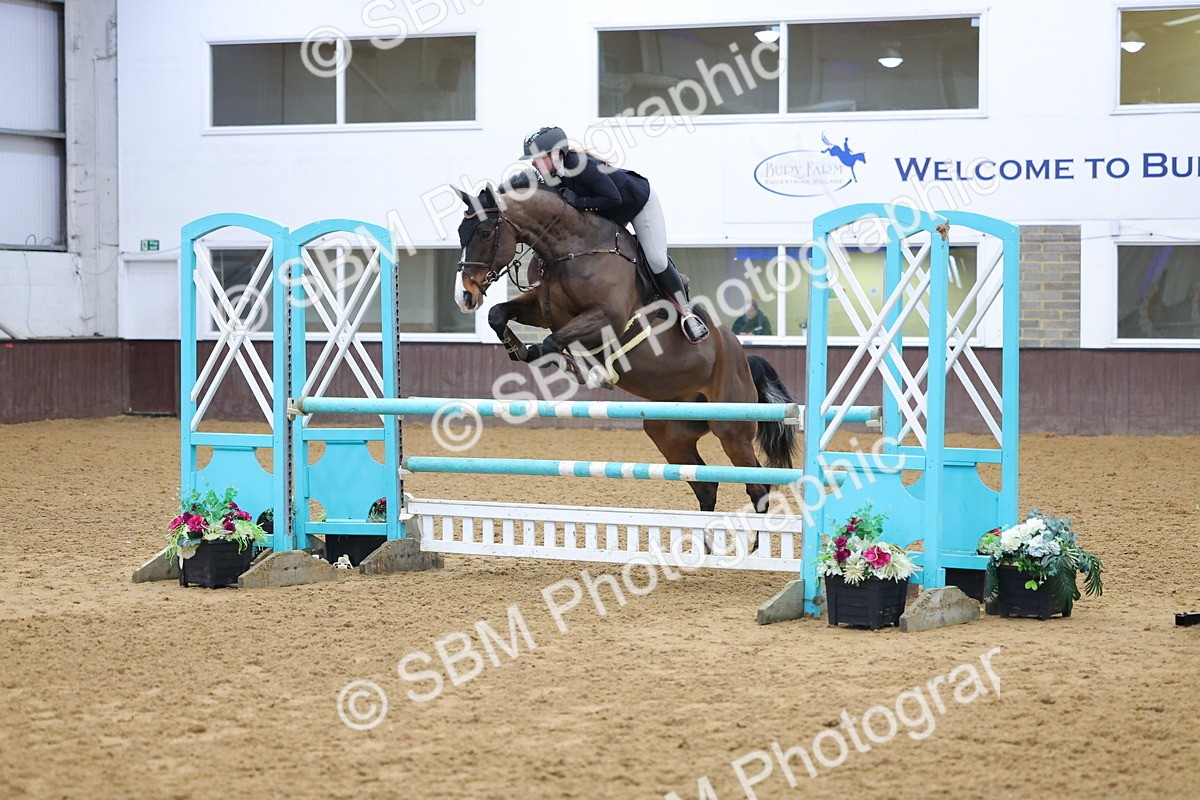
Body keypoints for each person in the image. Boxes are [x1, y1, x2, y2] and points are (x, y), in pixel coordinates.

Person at [519, 125, 709, 342]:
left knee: (655, 260)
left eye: (537, 158)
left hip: (637, 203)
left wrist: (578, 201)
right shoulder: (552, 175)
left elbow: (613, 198)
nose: (533, 163)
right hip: (609, 213)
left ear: (555, 154)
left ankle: (687, 313)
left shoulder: (584, 166)